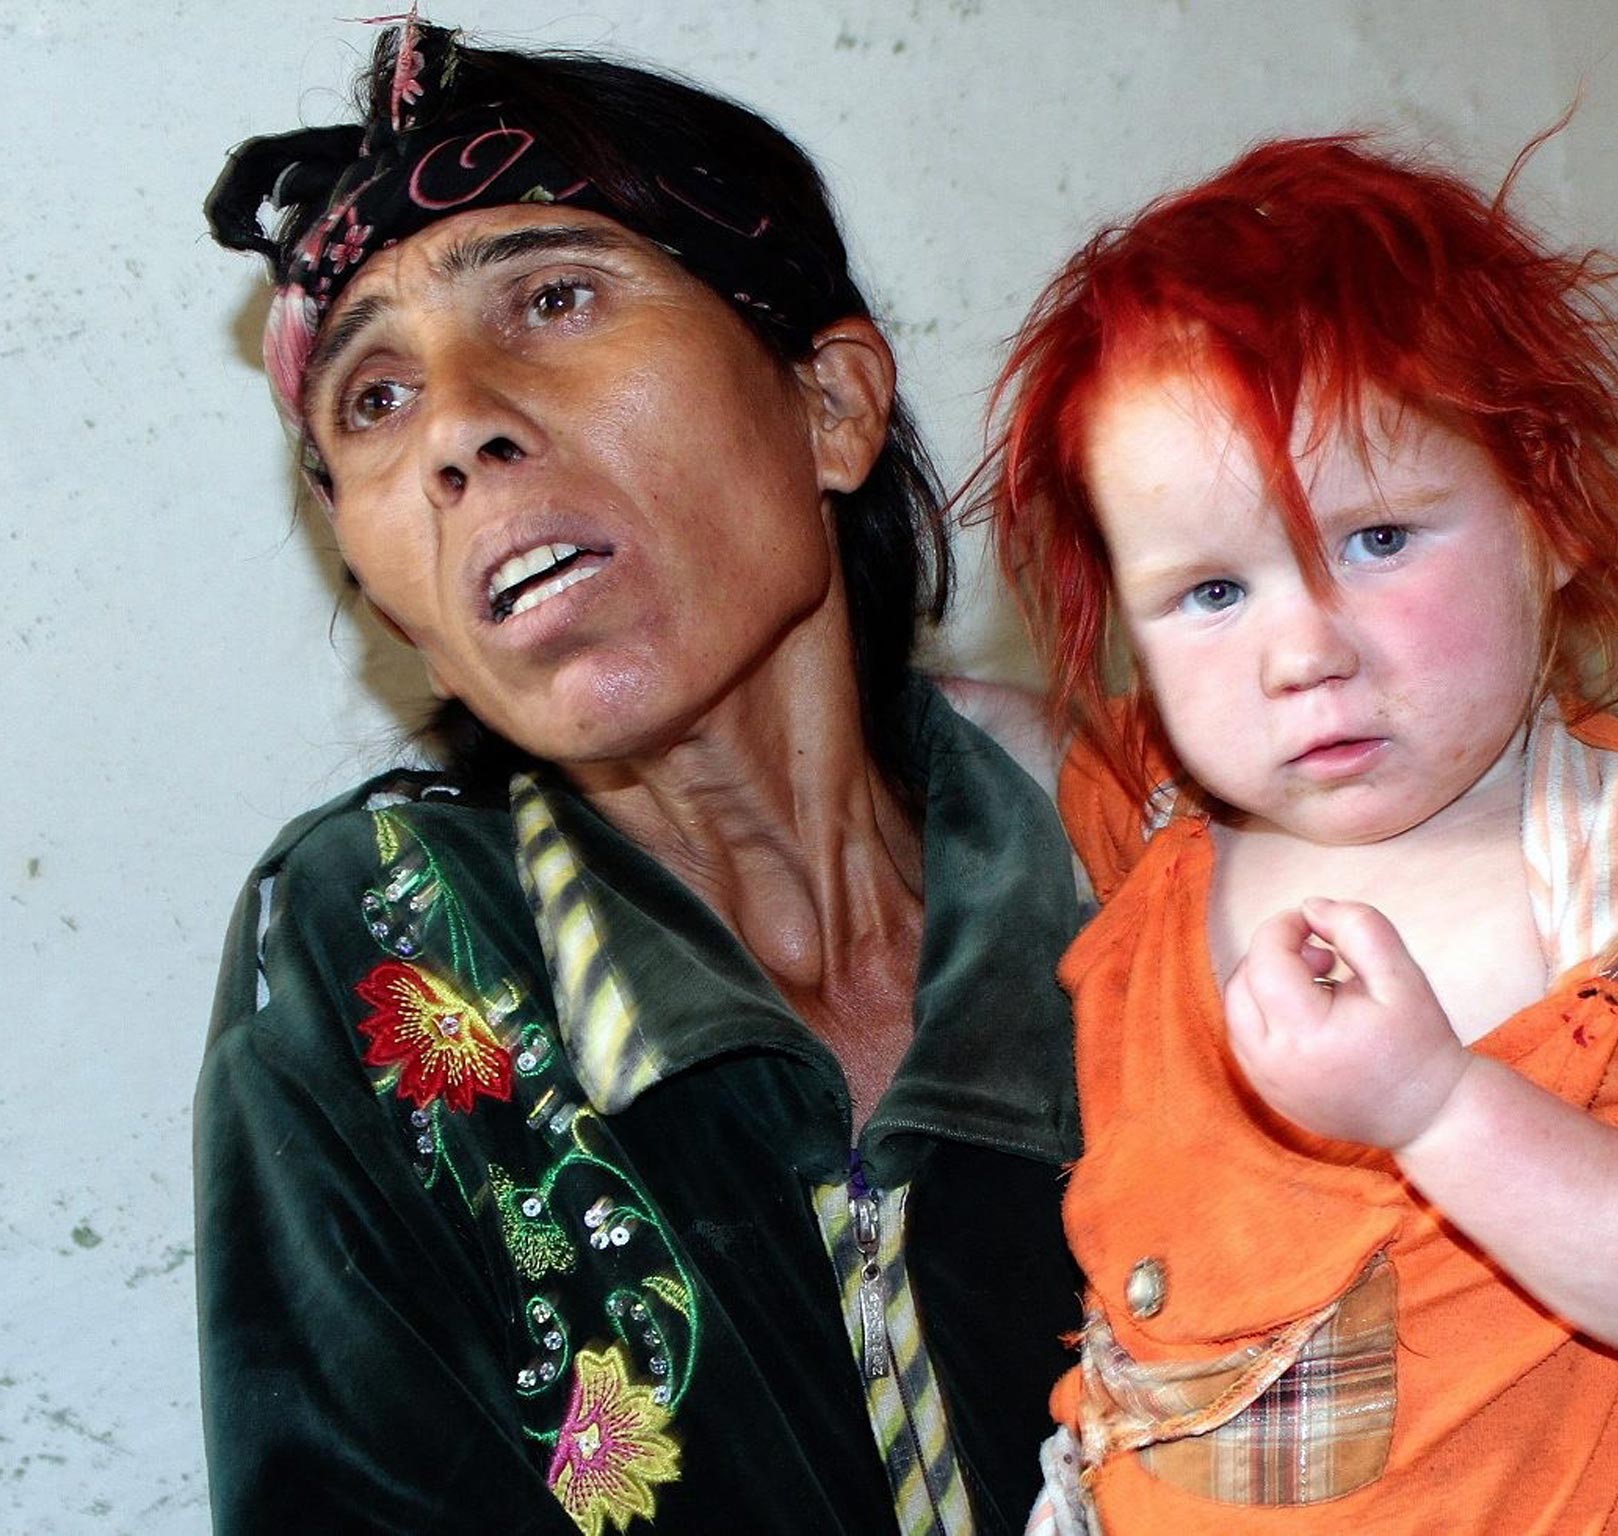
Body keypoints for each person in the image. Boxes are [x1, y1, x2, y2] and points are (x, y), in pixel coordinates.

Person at [196, 19, 1081, 1534]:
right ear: (379, 580)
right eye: (373, 400)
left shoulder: (1160, 870)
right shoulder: (386, 951)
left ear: (830, 406)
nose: (459, 428)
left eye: (552, 297)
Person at [979, 135, 1618, 1532]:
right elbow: (966, 739)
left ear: (1550, 508)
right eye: (1212, 592)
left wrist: (1435, 1106)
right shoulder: (1163, 808)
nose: (1302, 652)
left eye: (1380, 540)